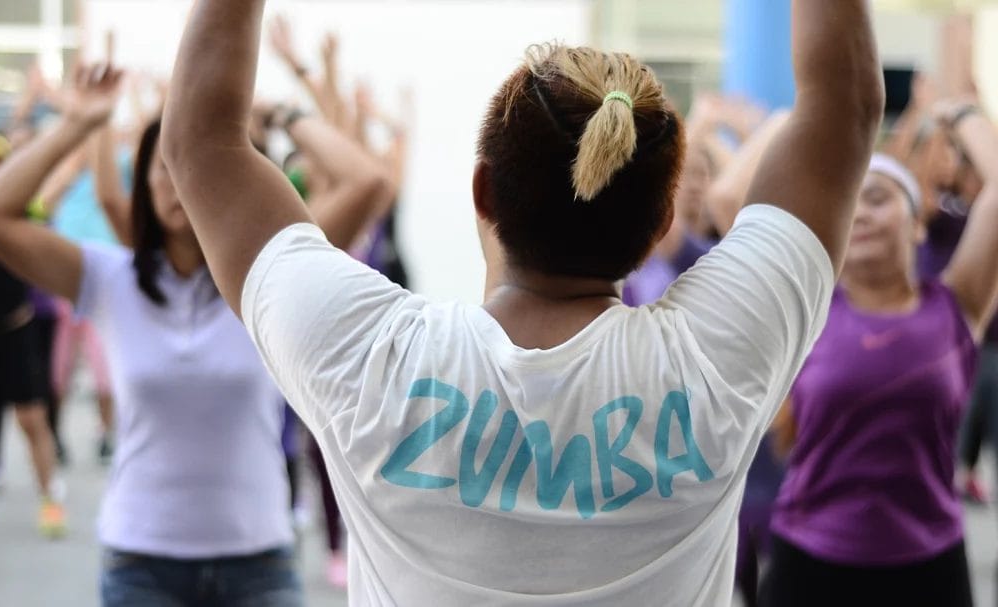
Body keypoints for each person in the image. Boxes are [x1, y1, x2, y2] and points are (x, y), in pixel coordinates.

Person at [161, 1, 883, 604]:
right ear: (661, 223)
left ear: (482, 191)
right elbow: (844, 107)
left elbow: (199, 142)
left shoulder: (369, 359)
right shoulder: (713, 362)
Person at [0, 64, 328, 606]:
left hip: (260, 561)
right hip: (141, 564)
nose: (177, 181)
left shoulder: (268, 283)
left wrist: (285, 114)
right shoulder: (108, 277)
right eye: (162, 166)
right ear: (142, 183)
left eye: (194, 166)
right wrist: (77, 123)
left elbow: (368, 184)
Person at [762, 138, 998, 605]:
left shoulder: (953, 308)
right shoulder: (805, 314)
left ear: (917, 225)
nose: (860, 214)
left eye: (876, 198)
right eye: (848, 203)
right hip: (809, 561)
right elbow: (736, 201)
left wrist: (958, 118)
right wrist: (788, 127)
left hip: (929, 564)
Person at [0, 132, 64, 535]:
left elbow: (55, 187)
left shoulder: (19, 213)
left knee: (31, 418)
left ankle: (50, 499)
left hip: (14, 328)